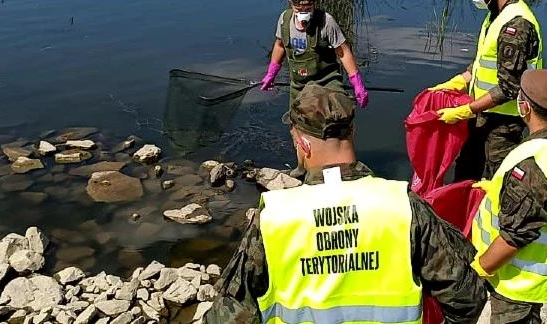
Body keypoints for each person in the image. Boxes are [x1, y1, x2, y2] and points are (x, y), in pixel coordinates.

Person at [204, 83, 489, 324]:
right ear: (351, 133)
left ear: (302, 145)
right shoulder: (403, 206)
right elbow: (467, 297)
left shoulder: (275, 218)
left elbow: (231, 313)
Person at [470, 69, 547, 324]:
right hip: (539, 273)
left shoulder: (532, 163)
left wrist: (479, 270)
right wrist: (498, 189)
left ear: (523, 106)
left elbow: (514, 237)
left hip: (516, 278)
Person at [431, 0, 543, 180]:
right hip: (483, 113)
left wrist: (467, 110)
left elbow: (509, 86)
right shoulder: (495, 15)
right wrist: (456, 82)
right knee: (466, 171)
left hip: (503, 121)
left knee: (497, 179)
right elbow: (485, 62)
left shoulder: (516, 26)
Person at [260, 0, 370, 108]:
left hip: (326, 83)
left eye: (307, 10)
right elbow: (279, 46)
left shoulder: (326, 21)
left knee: (332, 118)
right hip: (299, 85)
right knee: (299, 121)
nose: (303, 13)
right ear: (291, 5)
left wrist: (357, 83)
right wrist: (271, 73)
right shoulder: (284, 20)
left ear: (314, 5)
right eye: (299, 10)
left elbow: (343, 52)